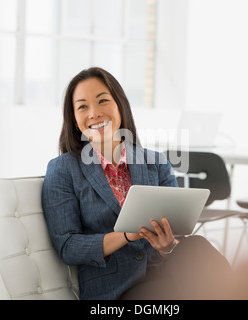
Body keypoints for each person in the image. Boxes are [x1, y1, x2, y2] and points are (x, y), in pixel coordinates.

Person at [42, 67, 232, 300]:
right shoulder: (63, 169)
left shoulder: (155, 162)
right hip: (115, 292)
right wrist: (125, 235)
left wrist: (167, 246)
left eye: (103, 101)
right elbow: (68, 246)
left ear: (120, 105)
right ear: (74, 119)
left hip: (164, 276)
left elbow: (177, 233)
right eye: (83, 106)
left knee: (196, 247)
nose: (94, 113)